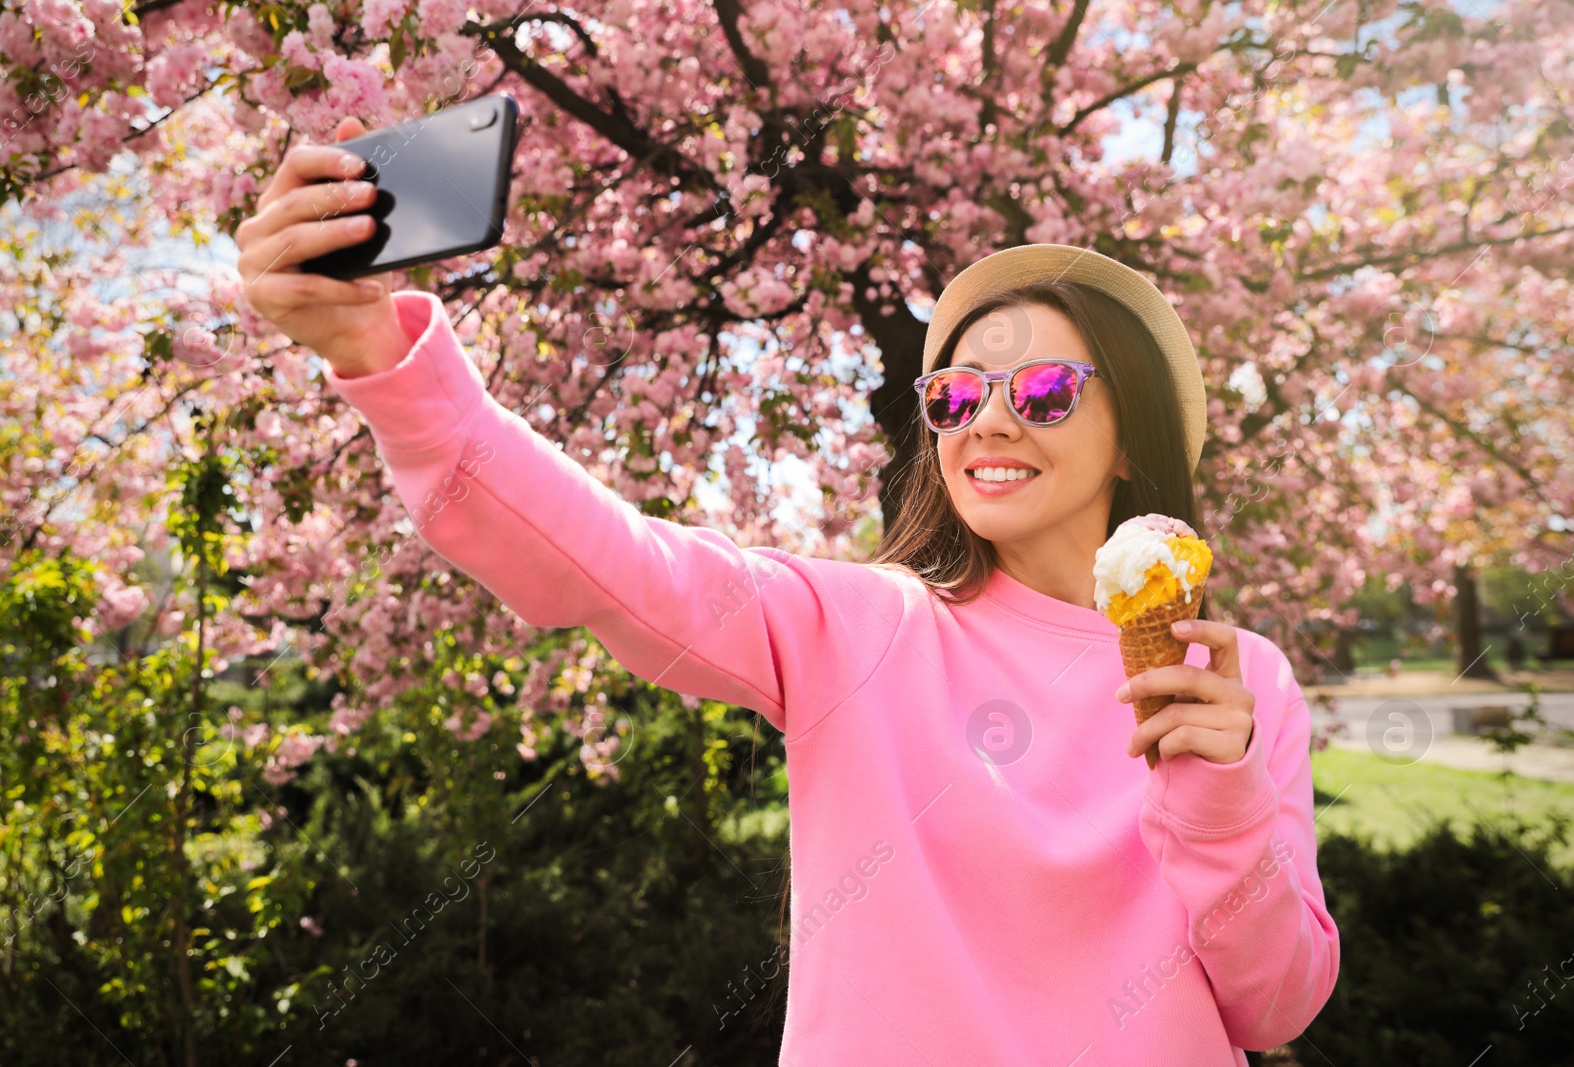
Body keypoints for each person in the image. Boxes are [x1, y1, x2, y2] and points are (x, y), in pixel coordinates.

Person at [235, 119, 1339, 1065]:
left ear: (1133, 439)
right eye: (953, 395)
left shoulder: (1237, 681)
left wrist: (1218, 796)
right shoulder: (861, 627)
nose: (989, 421)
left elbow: (1274, 1000)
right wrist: (386, 361)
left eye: (1045, 390)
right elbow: (608, 559)